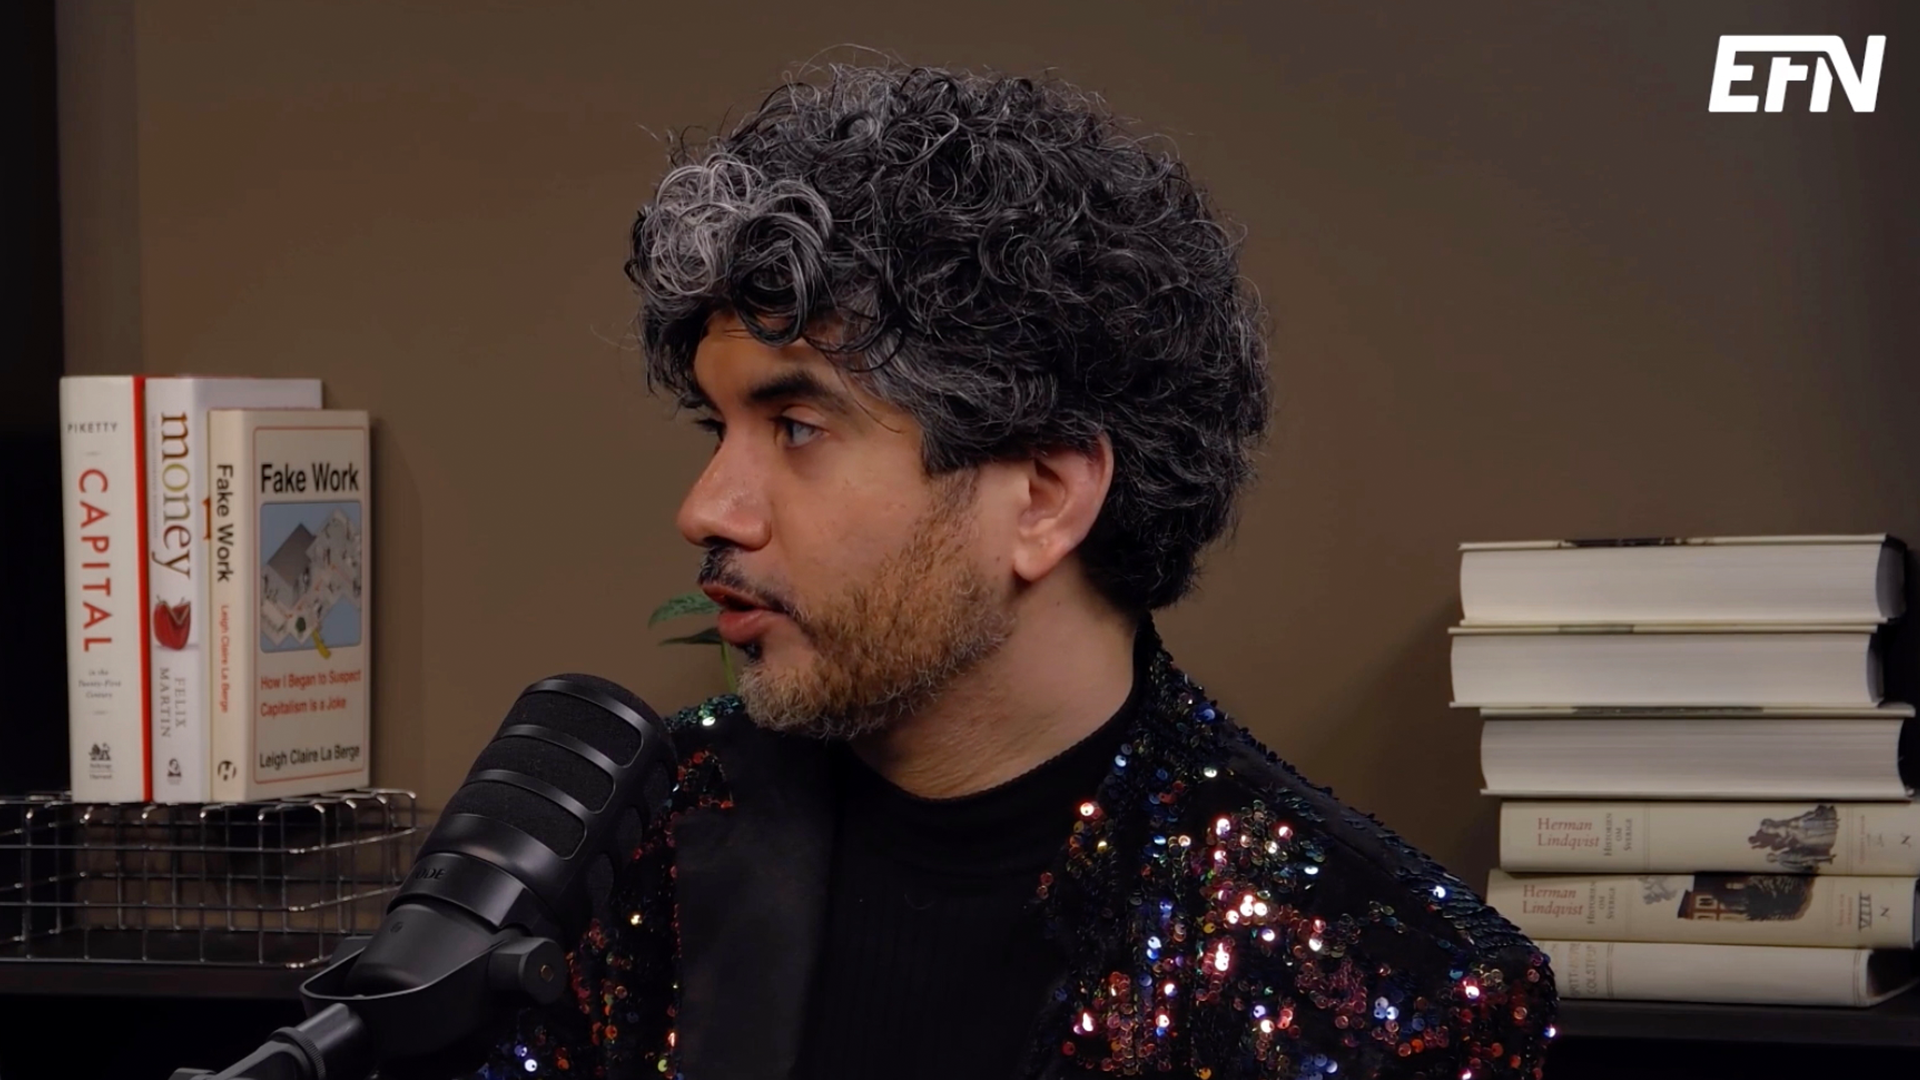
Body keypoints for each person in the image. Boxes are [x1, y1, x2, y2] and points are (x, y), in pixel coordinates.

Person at [492, 61, 1556, 1080]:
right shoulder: (619, 849)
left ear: (1044, 497)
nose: (705, 509)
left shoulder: (1390, 985)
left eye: (799, 427)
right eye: (717, 429)